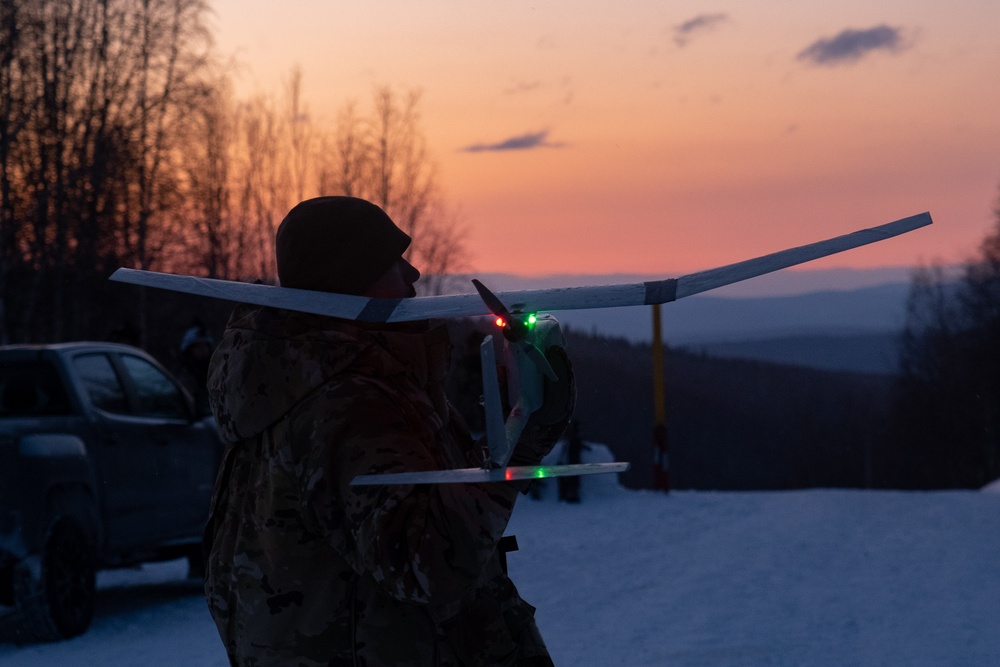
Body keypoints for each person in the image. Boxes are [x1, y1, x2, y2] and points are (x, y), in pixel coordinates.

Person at [203, 196, 574, 666]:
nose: (413, 274)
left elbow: (434, 501)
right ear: (350, 282)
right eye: (390, 261)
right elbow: (428, 560)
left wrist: (519, 426)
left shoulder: (313, 380)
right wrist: (522, 444)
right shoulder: (350, 404)